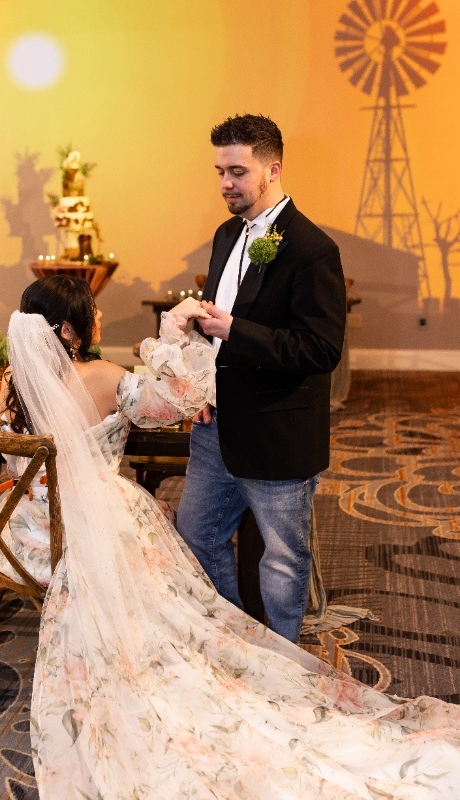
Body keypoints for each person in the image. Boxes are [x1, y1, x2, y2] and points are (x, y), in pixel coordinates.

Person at [0, 275, 460, 799]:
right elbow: (181, 401)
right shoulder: (106, 378)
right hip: (86, 525)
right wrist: (168, 338)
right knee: (166, 568)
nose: (100, 316)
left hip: (21, 531)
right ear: (69, 329)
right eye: (92, 310)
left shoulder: (17, 380)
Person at [177, 114, 347, 644]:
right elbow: (219, 326)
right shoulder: (227, 234)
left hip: (277, 433)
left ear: (273, 169)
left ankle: (285, 659)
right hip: (216, 427)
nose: (225, 184)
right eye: (220, 172)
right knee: (196, 537)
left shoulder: (312, 249)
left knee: (283, 558)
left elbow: (320, 350)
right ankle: (244, 642)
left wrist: (235, 330)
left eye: (237, 172)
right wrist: (201, 383)